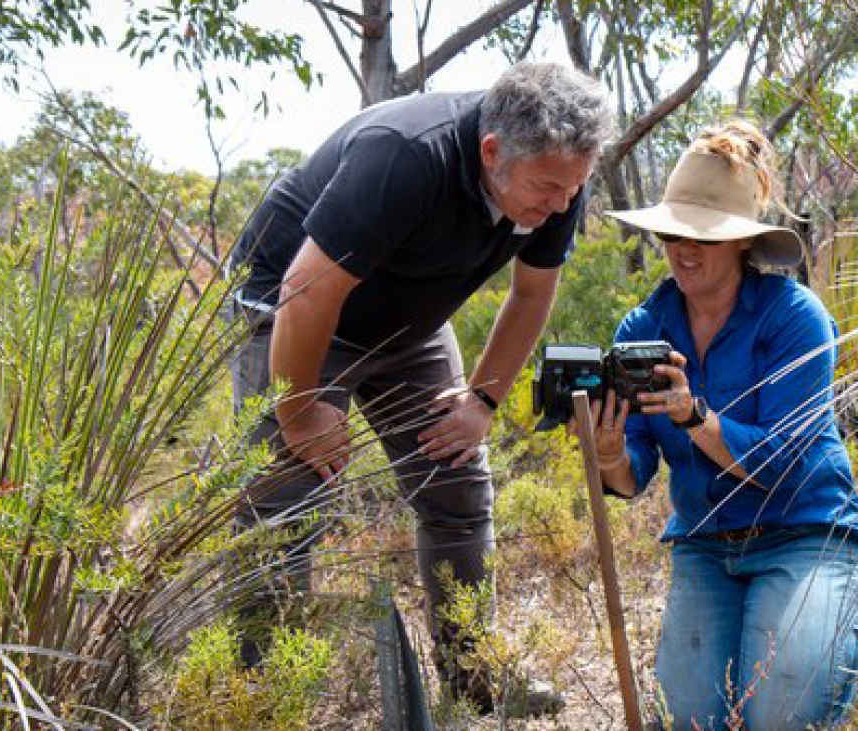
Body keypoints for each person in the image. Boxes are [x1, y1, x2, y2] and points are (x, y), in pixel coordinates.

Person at [227, 61, 612, 715]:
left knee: (458, 483)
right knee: (286, 502)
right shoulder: (406, 156)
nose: (562, 205)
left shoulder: (556, 179)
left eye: (573, 188)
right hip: (294, 311)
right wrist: (297, 415)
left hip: (408, 323)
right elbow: (304, 290)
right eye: (550, 187)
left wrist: (482, 403)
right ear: (493, 152)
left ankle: (474, 679)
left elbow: (532, 291)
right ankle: (265, 697)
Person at [587, 121, 858, 729]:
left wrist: (696, 417)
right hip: (705, 547)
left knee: (782, 707)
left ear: (744, 243)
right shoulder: (642, 329)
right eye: (673, 233)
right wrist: (608, 450)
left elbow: (780, 469)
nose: (684, 249)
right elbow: (629, 475)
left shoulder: (796, 319)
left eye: (705, 237)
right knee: (686, 717)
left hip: (805, 535)